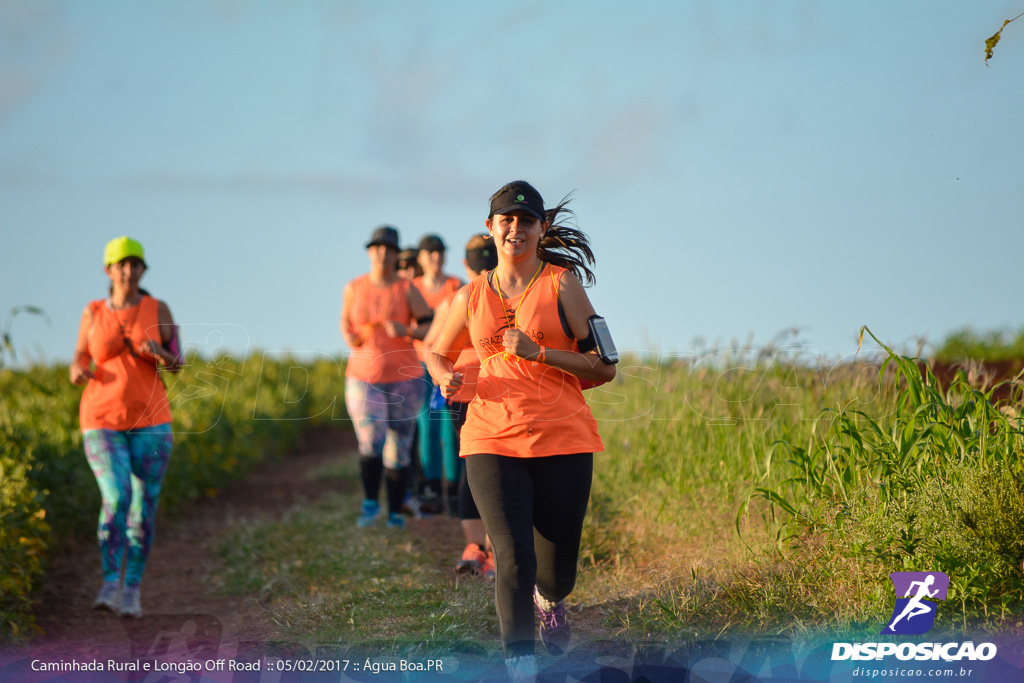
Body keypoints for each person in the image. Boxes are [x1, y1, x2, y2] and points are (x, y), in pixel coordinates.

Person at [428, 181, 616, 680]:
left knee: (555, 572)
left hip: (564, 440)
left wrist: (541, 352)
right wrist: (442, 374)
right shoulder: (468, 296)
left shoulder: (563, 285)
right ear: (490, 228)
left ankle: (550, 602)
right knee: (511, 558)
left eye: (526, 220)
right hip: (490, 439)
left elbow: (605, 366)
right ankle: (521, 666)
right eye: (505, 219)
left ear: (542, 228)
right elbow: (435, 351)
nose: (515, 228)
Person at [70, 236, 182, 618]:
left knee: (144, 506)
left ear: (142, 270)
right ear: (109, 270)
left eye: (136, 264)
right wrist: (77, 371)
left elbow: (178, 362)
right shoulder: (93, 312)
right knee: (116, 497)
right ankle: (108, 582)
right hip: (100, 420)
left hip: (152, 422)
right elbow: (80, 357)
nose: (129, 270)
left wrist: (158, 353)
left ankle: (131, 589)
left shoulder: (158, 308)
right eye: (122, 264)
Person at [340, 225, 433, 530]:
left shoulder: (406, 288)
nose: (381, 253)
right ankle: (369, 506)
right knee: (370, 440)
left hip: (404, 377)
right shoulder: (355, 287)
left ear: (396, 254)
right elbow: (345, 323)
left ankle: (395, 512)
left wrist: (407, 330)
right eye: (376, 247)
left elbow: (428, 324)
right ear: (369, 252)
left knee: (399, 445)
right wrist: (352, 336)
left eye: (387, 248)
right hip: (363, 376)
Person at [422, 233, 498, 580]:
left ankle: (475, 547)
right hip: (496, 392)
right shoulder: (506, 297)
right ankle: (493, 549)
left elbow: (430, 348)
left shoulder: (456, 299)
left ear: (464, 264)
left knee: (472, 466)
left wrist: (442, 373)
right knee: (498, 468)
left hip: (463, 390)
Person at [411, 234, 464, 513]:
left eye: (439, 251)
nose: (435, 257)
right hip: (421, 365)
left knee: (450, 427)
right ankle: (432, 489)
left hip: (450, 364)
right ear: (420, 257)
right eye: (430, 252)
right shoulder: (413, 287)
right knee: (427, 425)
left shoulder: (456, 286)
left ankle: (454, 490)